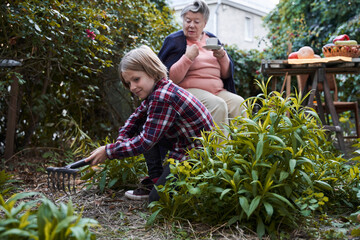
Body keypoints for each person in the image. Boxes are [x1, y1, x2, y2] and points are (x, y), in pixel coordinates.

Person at [84, 45, 214, 202]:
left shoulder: (163, 97)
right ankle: (155, 180)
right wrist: (121, 139)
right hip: (182, 145)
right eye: (128, 83)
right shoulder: (156, 90)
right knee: (142, 122)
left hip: (196, 155)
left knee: (158, 200)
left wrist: (109, 151)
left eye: (136, 79)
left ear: (152, 71)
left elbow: (145, 142)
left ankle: (190, 182)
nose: (132, 87)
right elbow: (135, 117)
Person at [158, 0, 246, 129]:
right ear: (183, 21)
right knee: (218, 105)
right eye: (188, 20)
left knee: (240, 103)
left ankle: (244, 147)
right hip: (187, 92)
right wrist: (188, 57)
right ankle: (221, 149)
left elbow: (226, 75)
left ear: (204, 24)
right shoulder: (174, 41)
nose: (191, 25)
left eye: (196, 22)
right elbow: (170, 79)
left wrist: (222, 56)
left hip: (217, 91)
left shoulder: (212, 39)